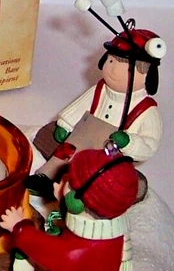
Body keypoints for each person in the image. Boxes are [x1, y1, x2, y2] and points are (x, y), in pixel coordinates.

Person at [0, 146, 139, 271]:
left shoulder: (80, 248)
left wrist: (20, 227)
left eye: (66, 183)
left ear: (76, 202)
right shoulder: (117, 235)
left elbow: (49, 251)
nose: (58, 184)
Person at [27, 27, 163, 198]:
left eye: (128, 68)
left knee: (94, 172)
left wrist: (129, 142)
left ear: (148, 76)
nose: (114, 70)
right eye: (111, 61)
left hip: (111, 152)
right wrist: (65, 125)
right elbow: (78, 108)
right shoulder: (99, 90)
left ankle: (77, 193)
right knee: (65, 152)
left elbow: (150, 144)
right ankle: (47, 178)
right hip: (83, 136)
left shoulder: (146, 110)